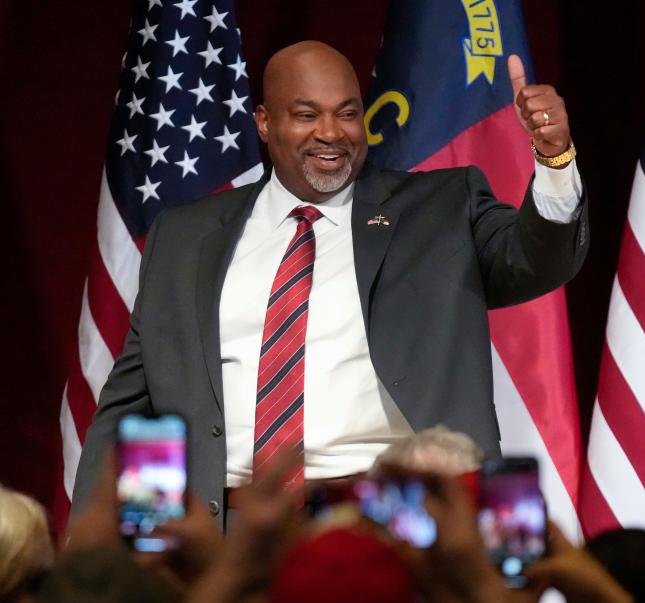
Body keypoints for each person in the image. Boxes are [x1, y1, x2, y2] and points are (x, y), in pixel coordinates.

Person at [72, 40, 588, 525]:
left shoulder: (441, 209)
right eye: (306, 115)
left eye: (346, 113)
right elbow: (131, 404)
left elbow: (534, 260)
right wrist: (92, 548)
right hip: (224, 529)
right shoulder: (185, 238)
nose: (332, 132)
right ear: (265, 122)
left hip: (386, 520)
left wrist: (555, 161)